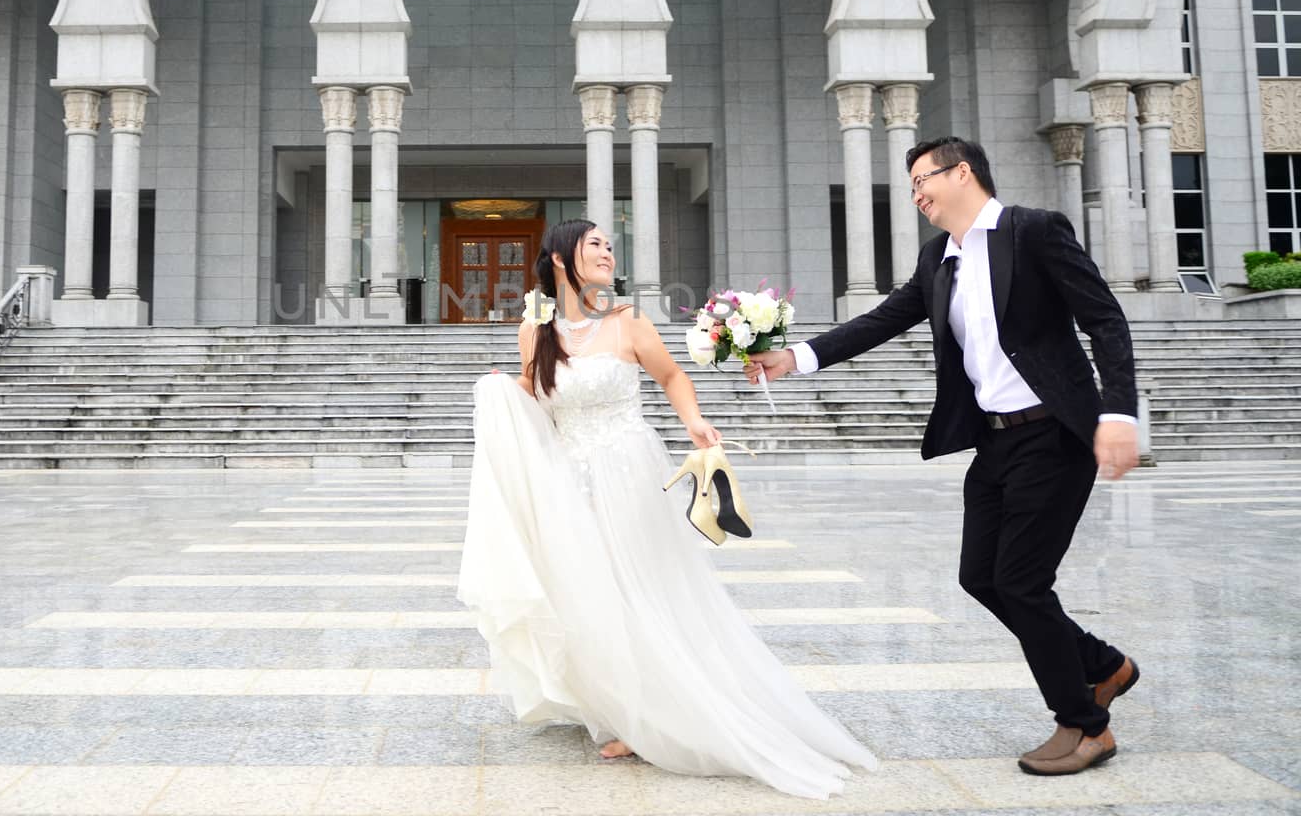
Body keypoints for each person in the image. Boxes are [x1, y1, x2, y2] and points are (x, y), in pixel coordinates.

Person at [745, 136, 1141, 777]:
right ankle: (1101, 666)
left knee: (1021, 581)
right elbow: (882, 319)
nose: (918, 195)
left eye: (923, 180)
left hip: (1055, 433)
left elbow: (1106, 320)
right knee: (980, 577)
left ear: (963, 173)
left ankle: (1087, 725)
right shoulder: (940, 260)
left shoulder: (1033, 231)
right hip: (996, 437)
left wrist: (1118, 412)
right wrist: (795, 358)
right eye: (911, 187)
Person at [459, 218, 878, 799]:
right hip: (567, 478)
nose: (607, 251)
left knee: (639, 588)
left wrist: (695, 422)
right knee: (588, 592)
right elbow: (535, 401)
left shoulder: (627, 321)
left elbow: (672, 373)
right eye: (594, 244)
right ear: (559, 259)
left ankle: (649, 712)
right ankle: (613, 704)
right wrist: (500, 393)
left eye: (610, 243)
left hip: (626, 469)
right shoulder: (537, 330)